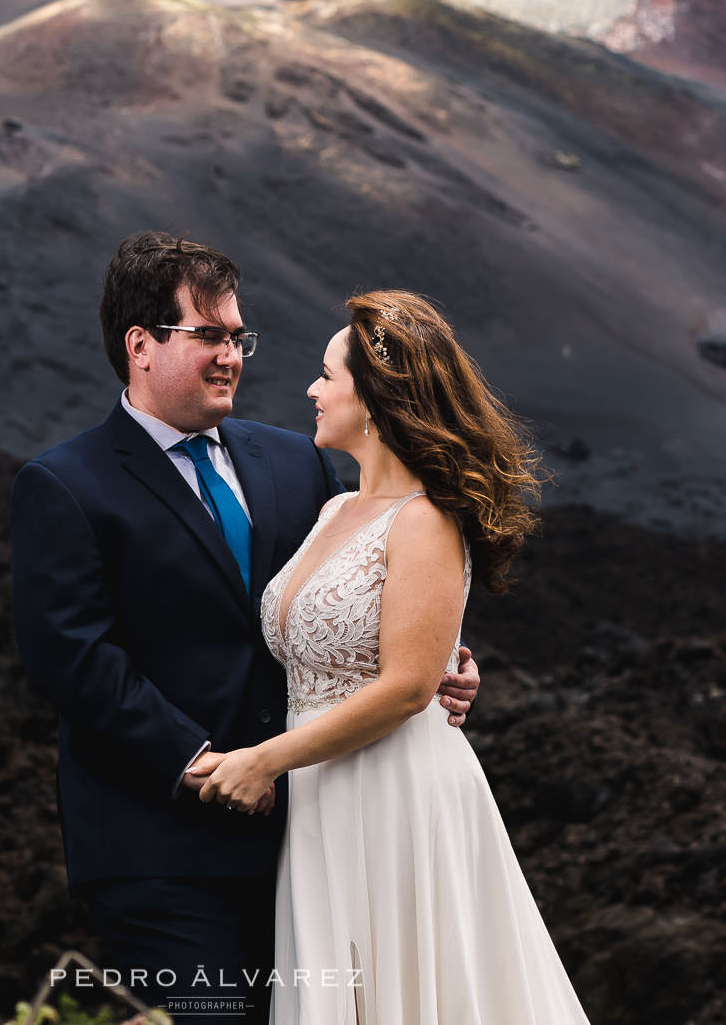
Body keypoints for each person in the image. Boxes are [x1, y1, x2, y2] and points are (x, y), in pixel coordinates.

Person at [11, 235, 481, 1024]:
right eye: (210, 336)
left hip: (314, 837)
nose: (233, 355)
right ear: (141, 344)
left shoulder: (297, 461)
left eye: (239, 336)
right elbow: (71, 657)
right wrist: (198, 762)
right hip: (158, 849)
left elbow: (357, 596)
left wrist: (439, 666)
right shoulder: (64, 485)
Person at [193, 289, 593, 1024]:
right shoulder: (331, 510)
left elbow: (410, 686)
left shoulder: (428, 519)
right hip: (322, 801)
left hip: (395, 793)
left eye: (326, 375)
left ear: (374, 398)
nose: (311, 389)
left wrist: (264, 758)